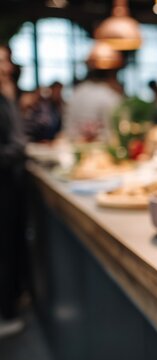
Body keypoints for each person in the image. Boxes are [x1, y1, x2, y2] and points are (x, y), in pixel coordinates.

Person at [0, 44, 27, 337]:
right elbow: (15, 142)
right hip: (3, 184)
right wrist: (18, 150)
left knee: (12, 245)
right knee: (4, 250)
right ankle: (5, 314)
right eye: (1, 61)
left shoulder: (4, 96)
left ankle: (12, 301)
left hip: (11, 183)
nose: (7, 67)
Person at [65, 68, 122, 142]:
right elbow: (114, 128)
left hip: (73, 144)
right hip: (101, 146)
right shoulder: (109, 95)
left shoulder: (76, 93)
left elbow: (67, 125)